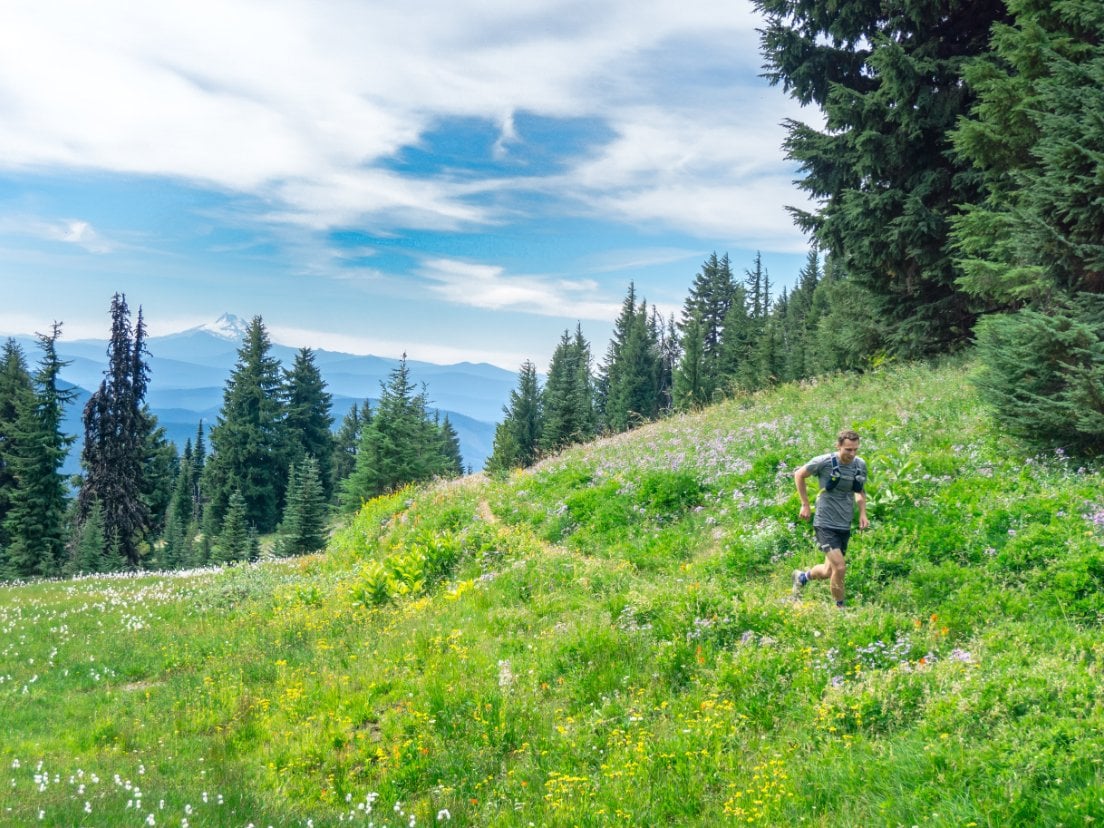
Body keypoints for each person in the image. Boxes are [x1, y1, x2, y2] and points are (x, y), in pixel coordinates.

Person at [792, 429, 869, 608]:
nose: (852, 454)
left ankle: (801, 577)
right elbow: (799, 474)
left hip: (844, 523)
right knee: (840, 567)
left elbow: (860, 491)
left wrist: (863, 513)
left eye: (855, 449)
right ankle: (840, 609)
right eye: (848, 449)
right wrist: (805, 504)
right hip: (825, 522)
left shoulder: (859, 465)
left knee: (829, 570)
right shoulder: (824, 461)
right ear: (839, 446)